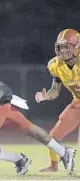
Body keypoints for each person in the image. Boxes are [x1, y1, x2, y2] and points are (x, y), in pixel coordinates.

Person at [35, 29, 80, 172]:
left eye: (67, 46)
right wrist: (46, 96)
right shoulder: (55, 65)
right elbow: (55, 90)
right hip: (78, 102)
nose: (63, 50)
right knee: (52, 138)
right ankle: (54, 166)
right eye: (61, 47)